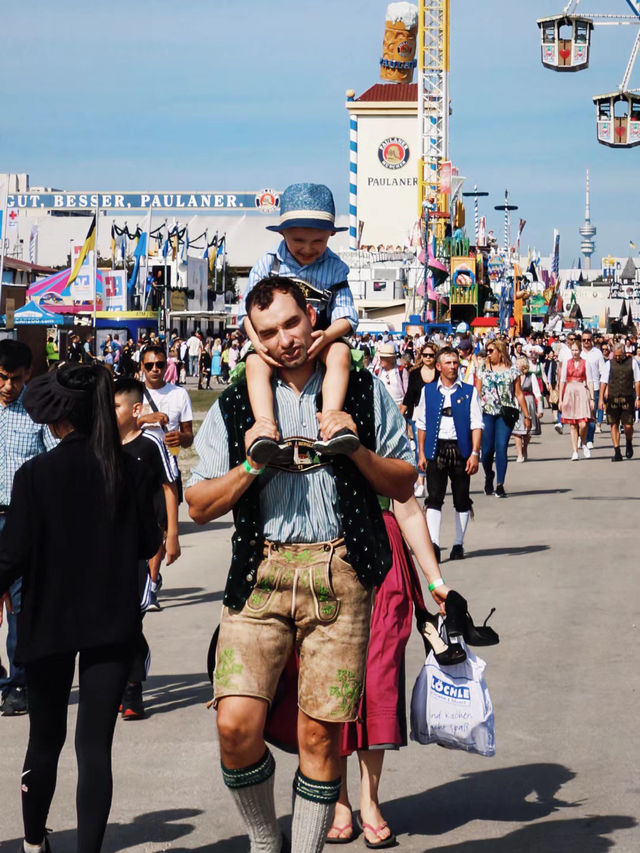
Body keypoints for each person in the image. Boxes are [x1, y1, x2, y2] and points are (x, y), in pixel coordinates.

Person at [186, 277, 415, 853]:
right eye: (269, 332)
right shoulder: (240, 398)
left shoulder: (358, 387)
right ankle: (266, 839)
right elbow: (198, 504)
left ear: (311, 316)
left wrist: (356, 449)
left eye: (292, 324)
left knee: (320, 734)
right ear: (254, 338)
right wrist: (253, 465)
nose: (285, 340)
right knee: (235, 725)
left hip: (341, 574)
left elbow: (407, 479)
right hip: (259, 576)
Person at [0, 363, 161, 853]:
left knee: (44, 740)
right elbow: (147, 542)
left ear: (55, 419)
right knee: (95, 749)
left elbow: (11, 555)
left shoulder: (34, 475)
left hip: (47, 621)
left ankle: (32, 842)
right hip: (111, 623)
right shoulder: (127, 468)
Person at [328, 496, 451, 847]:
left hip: (382, 552)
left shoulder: (383, 437)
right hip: (321, 551)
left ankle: (370, 800)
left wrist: (434, 580)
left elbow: (407, 505)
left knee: (378, 678)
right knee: (330, 678)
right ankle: (339, 800)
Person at [239, 183, 360, 464]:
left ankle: (331, 421)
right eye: (298, 241)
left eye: (318, 242)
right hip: (271, 342)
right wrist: (257, 343)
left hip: (322, 338)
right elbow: (245, 314)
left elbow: (348, 316)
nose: (308, 249)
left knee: (341, 353)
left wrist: (327, 336)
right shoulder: (267, 264)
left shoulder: (336, 268)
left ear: (331, 235)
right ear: (282, 234)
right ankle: (264, 429)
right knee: (255, 363)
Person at [113, 377, 181, 718]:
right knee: (112, 617)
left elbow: (170, 487)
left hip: (144, 544)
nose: (110, 413)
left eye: (116, 407)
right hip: (109, 547)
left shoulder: (151, 445)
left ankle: (133, 687)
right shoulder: (104, 444)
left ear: (136, 409)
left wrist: (172, 535)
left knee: (131, 617)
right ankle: (117, 679)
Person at [0, 341, 57, 717]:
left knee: (21, 607)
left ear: (28, 376)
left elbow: (55, 463)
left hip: (22, 521)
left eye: (15, 379)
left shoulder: (36, 415)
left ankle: (18, 683)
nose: (8, 386)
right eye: (2, 378)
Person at [137, 344, 193, 609]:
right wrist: (144, 418)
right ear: (142, 368)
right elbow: (116, 424)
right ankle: (147, 577)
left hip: (166, 469)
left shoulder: (179, 394)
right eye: (150, 365)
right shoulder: (133, 394)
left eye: (160, 364)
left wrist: (180, 438)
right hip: (135, 468)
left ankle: (150, 582)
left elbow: (188, 435)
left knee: (159, 528)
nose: (155, 369)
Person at [416, 346, 483, 561]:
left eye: (455, 362)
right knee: (434, 497)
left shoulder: (469, 391)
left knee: (461, 498)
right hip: (436, 448)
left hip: (460, 449)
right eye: (448, 363)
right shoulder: (428, 391)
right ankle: (434, 543)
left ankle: (458, 543)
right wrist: (421, 453)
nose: (453, 367)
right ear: (438, 366)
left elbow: (476, 424)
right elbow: (422, 423)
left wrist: (474, 453)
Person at [476, 338, 529, 498]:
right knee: (486, 452)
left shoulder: (513, 371)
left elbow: (518, 393)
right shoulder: (482, 369)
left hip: (505, 414)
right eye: (487, 351)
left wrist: (527, 415)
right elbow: (477, 392)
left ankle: (500, 484)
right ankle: (489, 475)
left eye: (491, 351)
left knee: (501, 447)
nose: (488, 354)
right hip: (486, 412)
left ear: (500, 351)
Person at [400, 342, 437, 498]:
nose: (428, 358)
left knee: (432, 447)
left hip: (436, 414)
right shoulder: (414, 373)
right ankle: (421, 481)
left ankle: (433, 478)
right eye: (425, 355)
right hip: (417, 415)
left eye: (431, 355)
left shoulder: (441, 372)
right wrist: (400, 412)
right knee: (420, 447)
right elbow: (409, 395)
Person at [600, 340, 640, 461]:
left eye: (620, 355)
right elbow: (603, 382)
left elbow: (637, 381)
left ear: (624, 353)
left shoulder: (632, 363)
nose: (617, 358)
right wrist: (601, 399)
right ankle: (617, 451)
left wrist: (638, 397)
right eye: (615, 355)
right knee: (614, 425)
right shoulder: (609, 364)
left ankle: (628, 442)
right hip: (612, 398)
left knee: (628, 426)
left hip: (628, 398)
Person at [559, 341, 594, 461]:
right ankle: (575, 451)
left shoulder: (585, 363)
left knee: (583, 423)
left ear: (580, 350)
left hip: (581, 391)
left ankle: (583, 443)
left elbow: (590, 380)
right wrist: (560, 399)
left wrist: (592, 398)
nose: (574, 352)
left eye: (576, 350)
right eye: (573, 350)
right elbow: (562, 381)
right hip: (569, 391)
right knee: (573, 425)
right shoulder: (567, 363)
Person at [512, 355, 543, 463]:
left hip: (528, 402)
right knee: (516, 430)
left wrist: (540, 408)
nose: (516, 366)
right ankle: (519, 453)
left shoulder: (531, 376)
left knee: (527, 430)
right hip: (516, 403)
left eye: (518, 364)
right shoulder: (513, 376)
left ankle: (525, 448)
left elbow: (537, 392)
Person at [581, 331, 606, 448]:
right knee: (580, 415)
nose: (586, 342)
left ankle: (590, 439)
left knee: (591, 414)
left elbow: (603, 372)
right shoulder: (578, 352)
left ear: (592, 340)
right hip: (580, 388)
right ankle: (581, 438)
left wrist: (605, 388)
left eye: (588, 339)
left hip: (594, 387)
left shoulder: (597, 353)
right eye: (584, 340)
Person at [376, 343, 408, 408]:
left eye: (383, 358)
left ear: (391, 359)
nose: (380, 360)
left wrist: (402, 407)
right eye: (380, 357)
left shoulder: (401, 371)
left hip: (399, 408)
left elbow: (407, 393)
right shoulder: (377, 372)